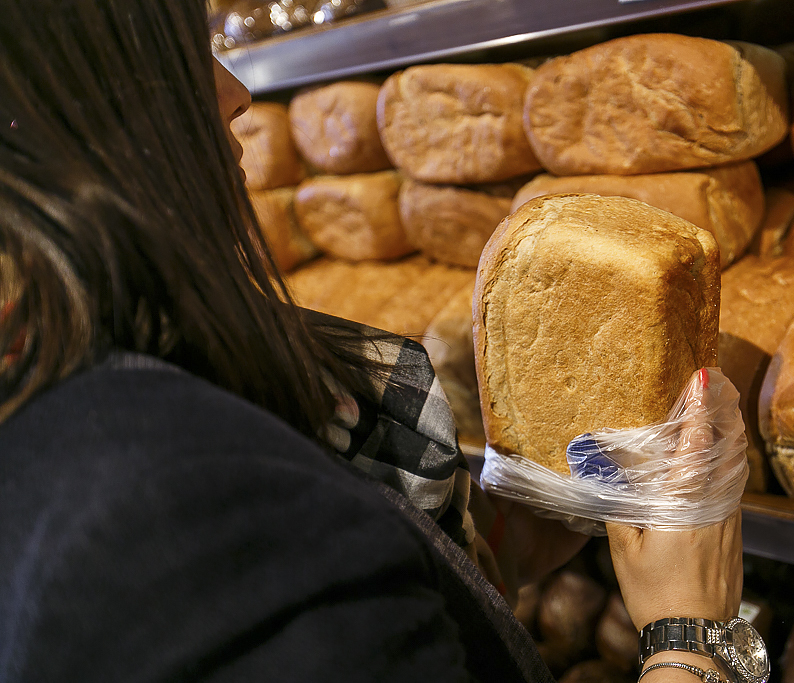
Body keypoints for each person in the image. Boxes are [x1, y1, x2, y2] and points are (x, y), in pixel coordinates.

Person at [0, 1, 745, 681]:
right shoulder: (177, 506)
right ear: (58, 112)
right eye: (182, 49)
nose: (238, 93)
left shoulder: (96, 371)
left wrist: (479, 554)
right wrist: (691, 637)